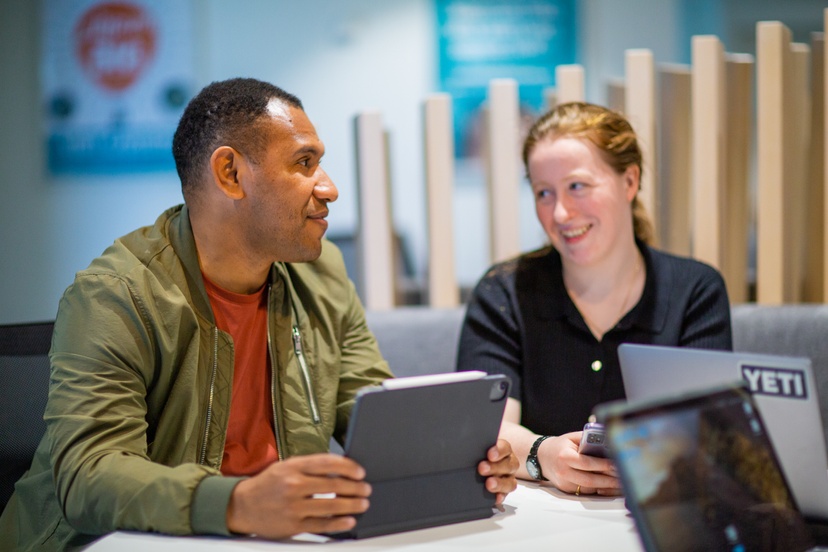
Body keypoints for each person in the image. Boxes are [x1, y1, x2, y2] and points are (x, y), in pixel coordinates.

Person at [0, 78, 518, 550]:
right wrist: (240, 502)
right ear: (230, 173)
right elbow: (88, 475)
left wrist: (454, 458)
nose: (329, 188)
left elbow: (368, 403)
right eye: (304, 163)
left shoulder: (322, 272)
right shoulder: (116, 295)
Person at [456, 102, 732, 497]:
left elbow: (710, 433)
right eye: (544, 193)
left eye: (578, 186)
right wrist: (542, 455)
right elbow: (487, 428)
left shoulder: (695, 291)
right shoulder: (504, 292)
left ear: (629, 181)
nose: (562, 212)